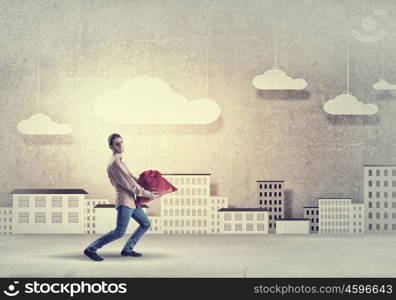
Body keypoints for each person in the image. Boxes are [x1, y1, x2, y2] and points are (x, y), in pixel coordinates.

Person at [84, 133, 159, 261]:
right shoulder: (115, 164)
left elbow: (131, 177)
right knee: (119, 232)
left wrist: (147, 187)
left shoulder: (120, 161)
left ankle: (127, 249)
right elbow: (131, 185)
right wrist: (148, 194)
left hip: (132, 201)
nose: (120, 145)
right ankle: (91, 249)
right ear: (111, 146)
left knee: (145, 223)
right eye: (116, 143)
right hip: (125, 202)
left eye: (121, 142)